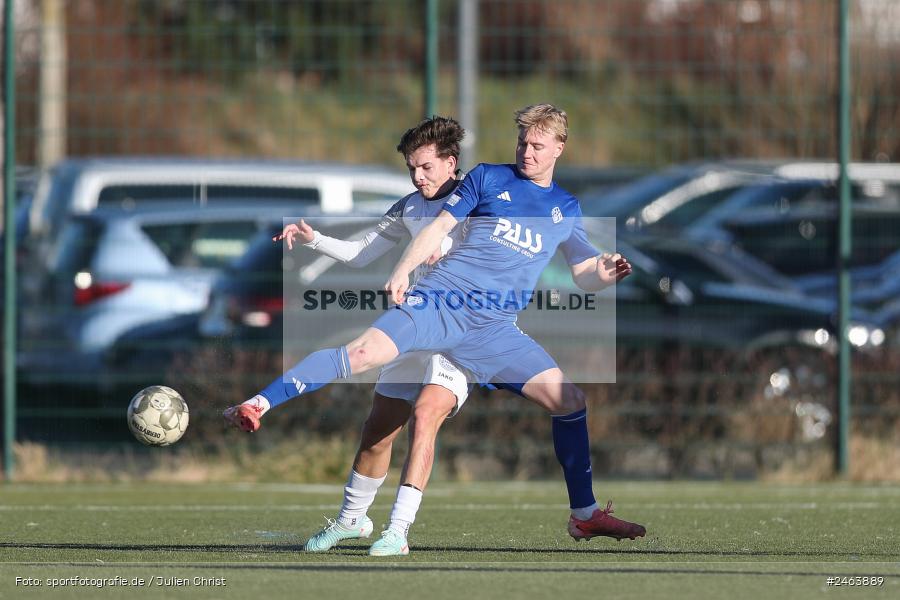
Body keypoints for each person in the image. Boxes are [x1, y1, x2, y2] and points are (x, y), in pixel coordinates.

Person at [225, 103, 645, 556]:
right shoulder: (487, 179)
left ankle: (581, 516)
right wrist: (402, 268)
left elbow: (584, 272)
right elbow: (436, 226)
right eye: (522, 141)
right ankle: (262, 405)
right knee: (372, 395)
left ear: (559, 148)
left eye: (537, 145)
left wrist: (606, 271)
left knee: (568, 401)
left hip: (493, 327)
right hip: (441, 304)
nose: (527, 151)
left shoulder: (565, 207)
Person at [232, 116, 476, 555]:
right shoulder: (408, 207)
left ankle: (397, 532)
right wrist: (314, 239)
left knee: (426, 415)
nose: (417, 177)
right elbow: (361, 253)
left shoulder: (478, 203)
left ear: (450, 162)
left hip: (460, 331)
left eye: (425, 167)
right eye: (411, 169)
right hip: (414, 324)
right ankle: (351, 521)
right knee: (378, 431)